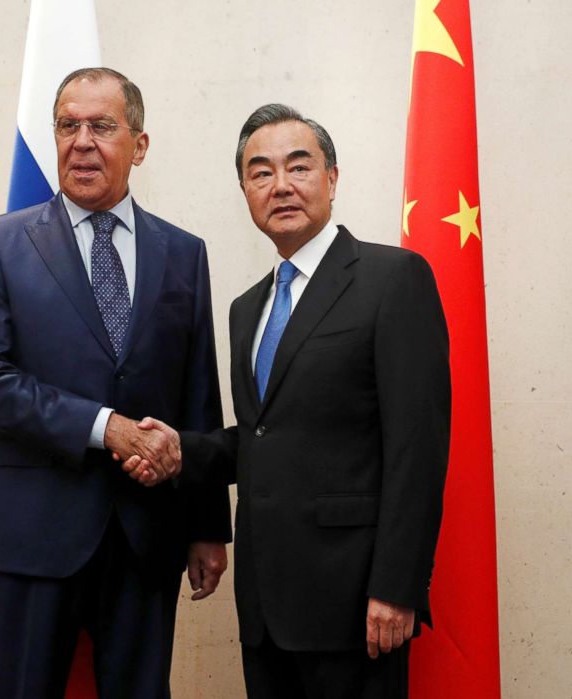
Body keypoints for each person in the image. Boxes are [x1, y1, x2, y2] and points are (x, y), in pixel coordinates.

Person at [123, 104, 451, 698]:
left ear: (332, 177)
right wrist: (177, 450)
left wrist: (398, 587)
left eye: (298, 167)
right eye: (260, 172)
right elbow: (260, 436)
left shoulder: (393, 279)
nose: (281, 186)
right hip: (266, 606)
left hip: (356, 603)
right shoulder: (247, 308)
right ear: (246, 191)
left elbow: (417, 449)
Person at [0, 67, 231, 699]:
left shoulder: (183, 252)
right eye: (67, 125)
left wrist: (207, 524)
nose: (81, 141)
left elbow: (199, 392)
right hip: (29, 536)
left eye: (102, 126)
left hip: (144, 541)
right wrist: (109, 428)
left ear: (139, 144)